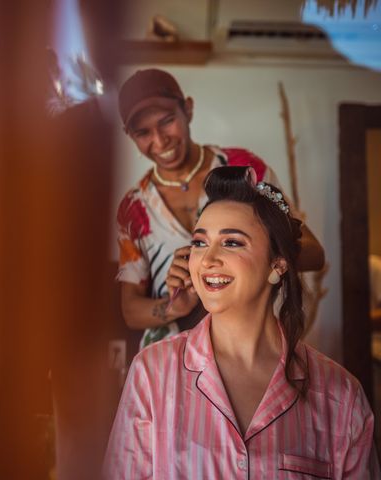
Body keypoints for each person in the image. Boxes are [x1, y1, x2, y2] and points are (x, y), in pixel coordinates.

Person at [104, 166, 379, 479]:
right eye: (199, 243)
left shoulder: (340, 396)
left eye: (232, 242)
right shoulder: (152, 374)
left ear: (278, 263)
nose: (207, 260)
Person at [116, 69, 325, 347]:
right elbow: (130, 311)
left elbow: (314, 253)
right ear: (128, 135)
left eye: (167, 121)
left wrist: (248, 258)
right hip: (172, 355)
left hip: (253, 346)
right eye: (143, 132)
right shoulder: (134, 209)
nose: (160, 140)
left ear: (188, 109)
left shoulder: (244, 171)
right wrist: (176, 305)